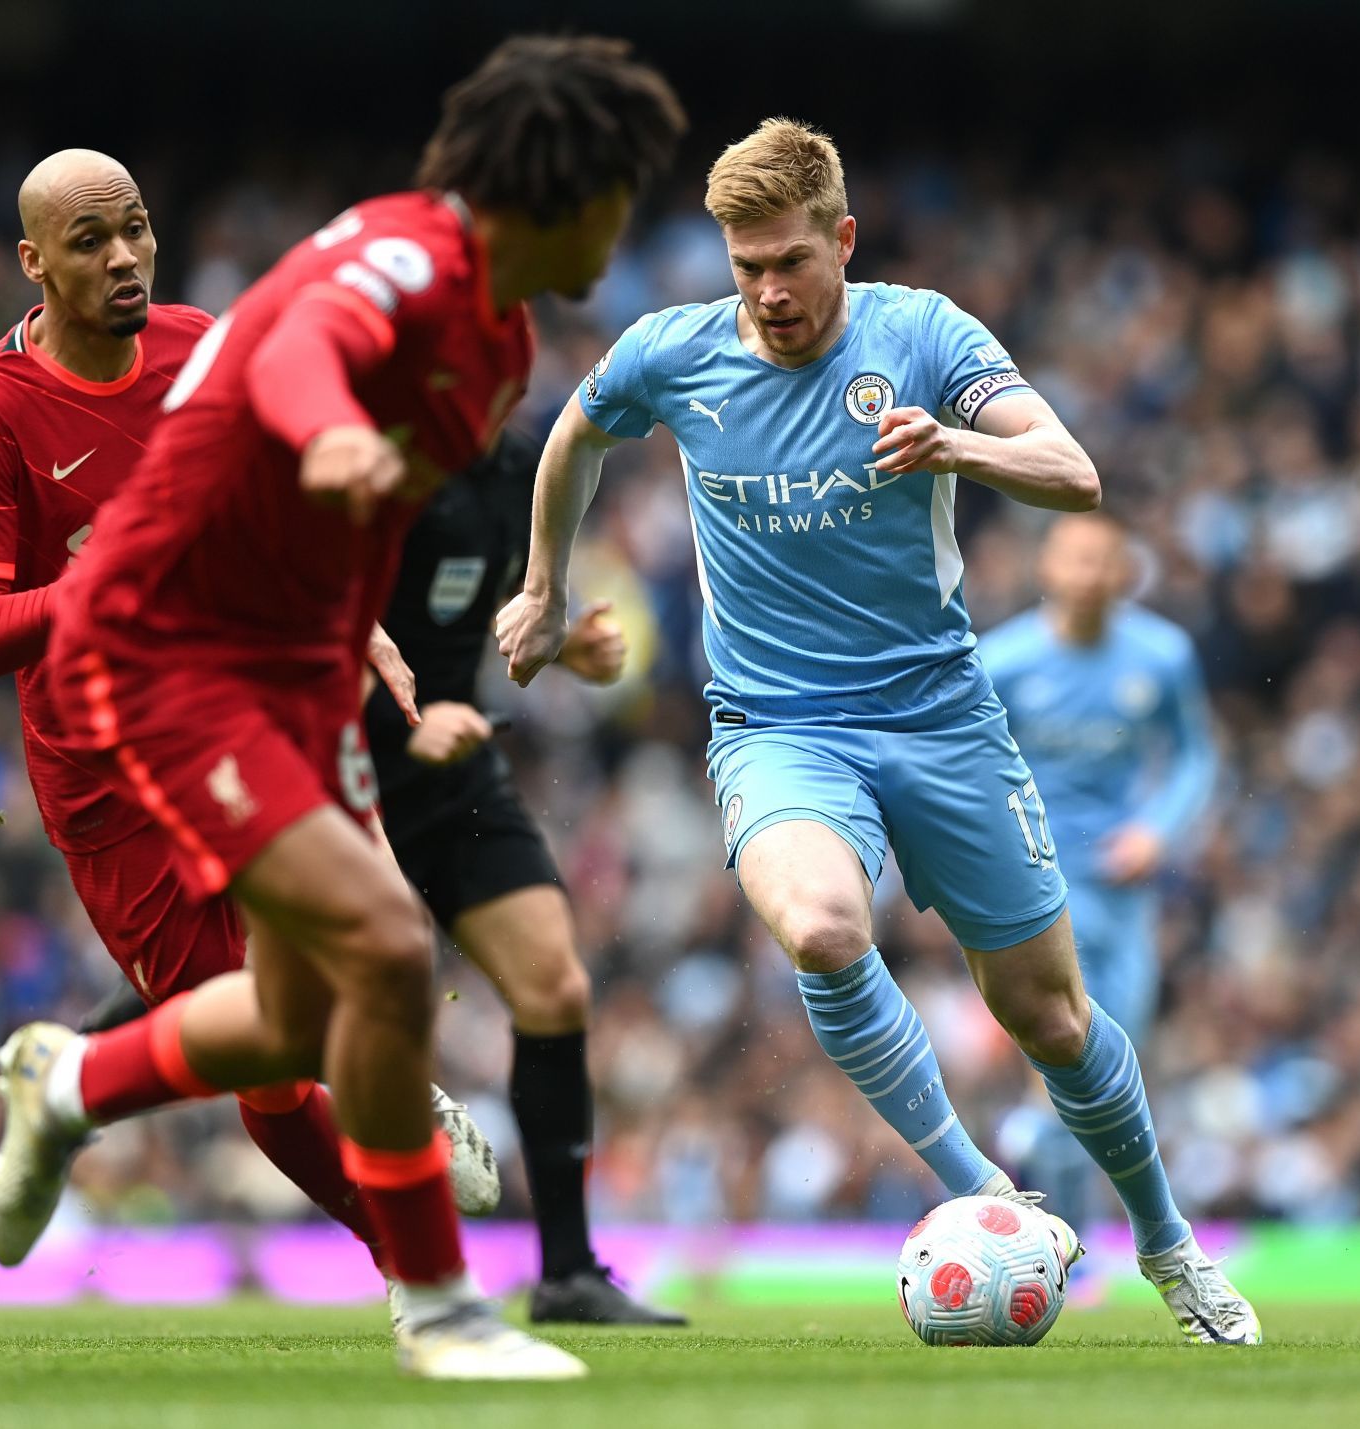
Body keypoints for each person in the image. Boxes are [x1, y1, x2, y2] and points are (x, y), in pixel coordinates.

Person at [0, 37, 686, 1380]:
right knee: (389, 950)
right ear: (567, 188)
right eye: (620, 192)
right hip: (162, 640)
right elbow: (301, 346)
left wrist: (446, 651)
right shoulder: (409, 259)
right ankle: (441, 1311)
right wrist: (328, 434)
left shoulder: (504, 342)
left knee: (298, 1014)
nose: (624, 221)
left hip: (296, 664)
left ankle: (65, 1083)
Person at [496, 118, 1260, 1344]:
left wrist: (952, 442)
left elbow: (1074, 472)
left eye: (791, 260)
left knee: (1052, 1017)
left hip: (942, 715)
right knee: (821, 926)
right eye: (745, 265)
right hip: (779, 727)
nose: (768, 290)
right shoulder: (673, 354)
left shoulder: (923, 336)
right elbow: (574, 436)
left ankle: (1169, 1245)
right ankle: (982, 1190)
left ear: (841, 241)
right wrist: (543, 582)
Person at [0, 149, 494, 1293]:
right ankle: (69, 1085)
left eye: (135, 227)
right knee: (271, 1063)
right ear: (35, 264)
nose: (126, 255)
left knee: (365, 940)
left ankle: (423, 1275)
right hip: (106, 768)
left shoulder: (201, 346)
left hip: (242, 702)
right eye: (91, 242)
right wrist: (113, 581)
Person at [363, 427, 682, 1324]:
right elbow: (303, 604)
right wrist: (390, 718)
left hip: (454, 764)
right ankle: (81, 1074)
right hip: (335, 756)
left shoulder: (517, 472)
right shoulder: (374, 459)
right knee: (334, 993)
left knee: (554, 982)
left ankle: (569, 1271)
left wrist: (563, 637)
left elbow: (485, 593)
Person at [978, 513, 1217, 1046]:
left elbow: (1195, 755)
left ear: (1126, 573)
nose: (1088, 575)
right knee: (1061, 1027)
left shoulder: (1162, 657)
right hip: (1038, 867)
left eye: (1102, 562)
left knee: (1126, 1029)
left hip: (1121, 869)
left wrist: (1157, 830)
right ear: (1047, 567)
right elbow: (971, 771)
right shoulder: (1002, 663)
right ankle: (1039, 1124)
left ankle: (1053, 1128)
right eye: (1076, 559)